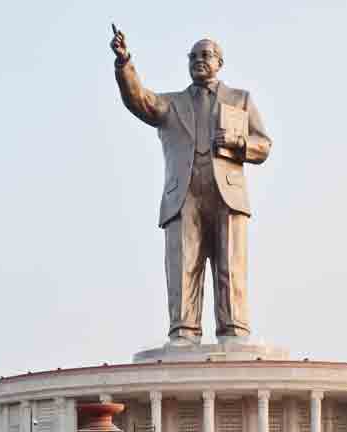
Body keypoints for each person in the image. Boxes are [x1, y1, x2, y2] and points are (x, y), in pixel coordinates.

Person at [109, 27, 271, 346]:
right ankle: (183, 329)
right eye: (193, 56)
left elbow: (263, 145)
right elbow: (138, 99)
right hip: (184, 194)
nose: (199, 60)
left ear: (220, 62)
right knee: (183, 264)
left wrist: (239, 142)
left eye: (206, 55)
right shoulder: (171, 104)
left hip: (226, 193)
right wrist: (124, 62)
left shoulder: (241, 99)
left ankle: (233, 329)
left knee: (230, 265)